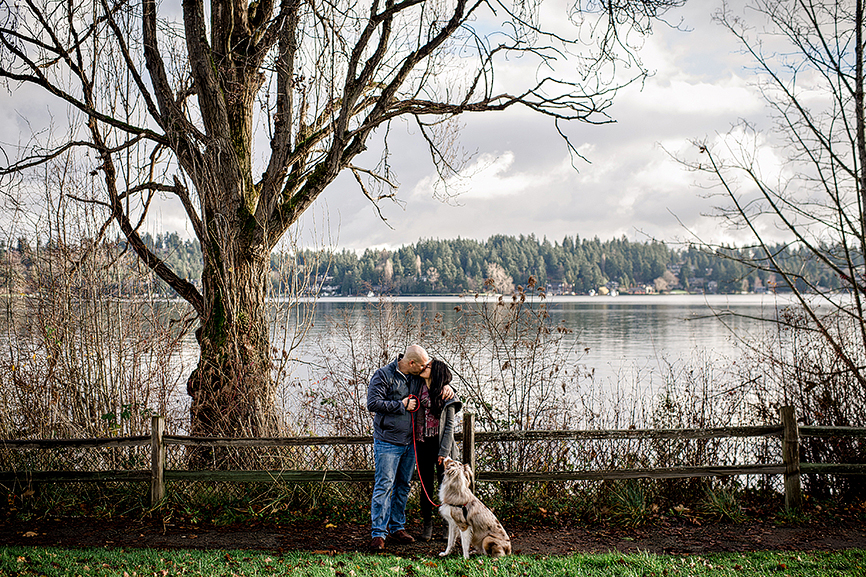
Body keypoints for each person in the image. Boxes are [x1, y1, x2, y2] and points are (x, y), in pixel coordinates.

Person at [366, 344, 452, 552]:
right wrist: (400, 405)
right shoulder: (383, 375)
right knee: (384, 485)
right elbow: (372, 403)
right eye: (422, 365)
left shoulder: (416, 377)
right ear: (412, 363)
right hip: (388, 441)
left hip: (412, 443)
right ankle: (378, 533)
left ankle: (397, 527)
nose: (425, 369)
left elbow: (436, 379)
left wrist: (449, 386)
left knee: (403, 485)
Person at [415, 358, 462, 541]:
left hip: (442, 447)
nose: (424, 367)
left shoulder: (446, 395)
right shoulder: (417, 387)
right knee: (425, 486)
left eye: (428, 367)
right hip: (422, 444)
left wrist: (443, 452)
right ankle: (427, 524)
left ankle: (447, 525)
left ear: (435, 372)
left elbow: (449, 427)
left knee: (446, 488)